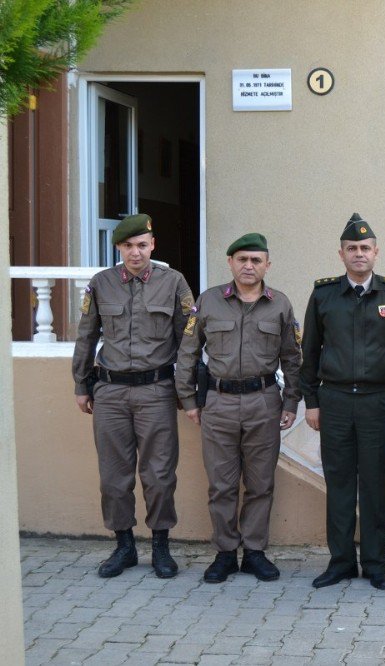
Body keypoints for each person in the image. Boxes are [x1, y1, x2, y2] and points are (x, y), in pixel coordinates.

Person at [72, 213, 194, 579]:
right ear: (119, 248)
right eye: (128, 246)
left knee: (158, 475)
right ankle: (124, 545)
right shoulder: (101, 283)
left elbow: (188, 340)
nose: (135, 252)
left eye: (142, 245)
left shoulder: (174, 283)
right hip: (109, 391)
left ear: (153, 245)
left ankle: (160, 545)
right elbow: (86, 336)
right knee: (113, 475)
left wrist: (183, 388)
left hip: (155, 390)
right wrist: (81, 384)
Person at [175, 233, 301, 583]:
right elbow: (187, 352)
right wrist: (188, 400)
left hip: (264, 402)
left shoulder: (280, 304)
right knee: (221, 484)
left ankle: (255, 552)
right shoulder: (208, 301)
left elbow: (293, 358)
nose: (249, 266)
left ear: (267, 265)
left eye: (256, 260)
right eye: (242, 259)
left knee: (261, 483)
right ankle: (226, 553)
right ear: (230, 262)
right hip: (219, 402)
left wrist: (291, 400)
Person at [301, 213, 385, 591]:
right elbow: (310, 353)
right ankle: (341, 562)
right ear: (341, 254)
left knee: (374, 485)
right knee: (339, 484)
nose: (359, 254)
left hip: (378, 402)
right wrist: (311, 402)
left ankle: (376, 564)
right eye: (352, 248)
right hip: (333, 402)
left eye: (365, 248)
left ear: (376, 253)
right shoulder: (324, 295)